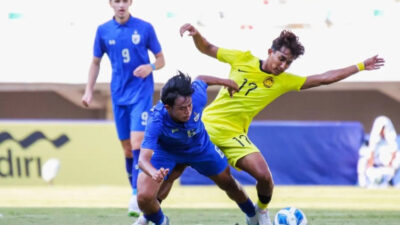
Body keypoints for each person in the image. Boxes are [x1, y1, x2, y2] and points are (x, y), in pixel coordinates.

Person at [178, 23, 385, 224]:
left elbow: (324, 78)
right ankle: (149, 214)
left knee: (265, 178)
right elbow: (207, 48)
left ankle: (261, 211)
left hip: (234, 135)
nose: (283, 66)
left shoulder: (284, 81)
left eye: (289, 63)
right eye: (282, 59)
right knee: (177, 169)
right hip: (206, 126)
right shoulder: (242, 58)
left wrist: (360, 66)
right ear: (270, 51)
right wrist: (196, 34)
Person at [133, 72, 262, 225]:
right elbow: (142, 160)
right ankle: (160, 220)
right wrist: (154, 173)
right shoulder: (156, 120)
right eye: (182, 108)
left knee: (228, 183)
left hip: (201, 148)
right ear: (167, 107)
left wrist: (227, 82)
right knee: (144, 198)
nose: (188, 111)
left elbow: (202, 79)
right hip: (168, 152)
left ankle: (252, 216)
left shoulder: (197, 96)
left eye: (189, 106)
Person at [81, 0, 165, 217]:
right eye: (116, 1)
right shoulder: (103, 31)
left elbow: (161, 59)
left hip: (141, 93)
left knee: (137, 143)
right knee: (127, 149)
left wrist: (151, 67)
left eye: (124, 1)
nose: (121, 5)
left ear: (130, 3)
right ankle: (133, 191)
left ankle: (138, 196)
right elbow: (95, 62)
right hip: (119, 95)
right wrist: (89, 91)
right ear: (110, 3)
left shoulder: (145, 28)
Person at [358, 115, 400, 188]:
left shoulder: (390, 138)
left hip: (387, 161)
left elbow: (394, 152)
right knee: (363, 155)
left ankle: (389, 181)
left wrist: (390, 164)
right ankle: (363, 183)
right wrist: (370, 166)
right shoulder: (373, 140)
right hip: (376, 160)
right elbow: (371, 152)